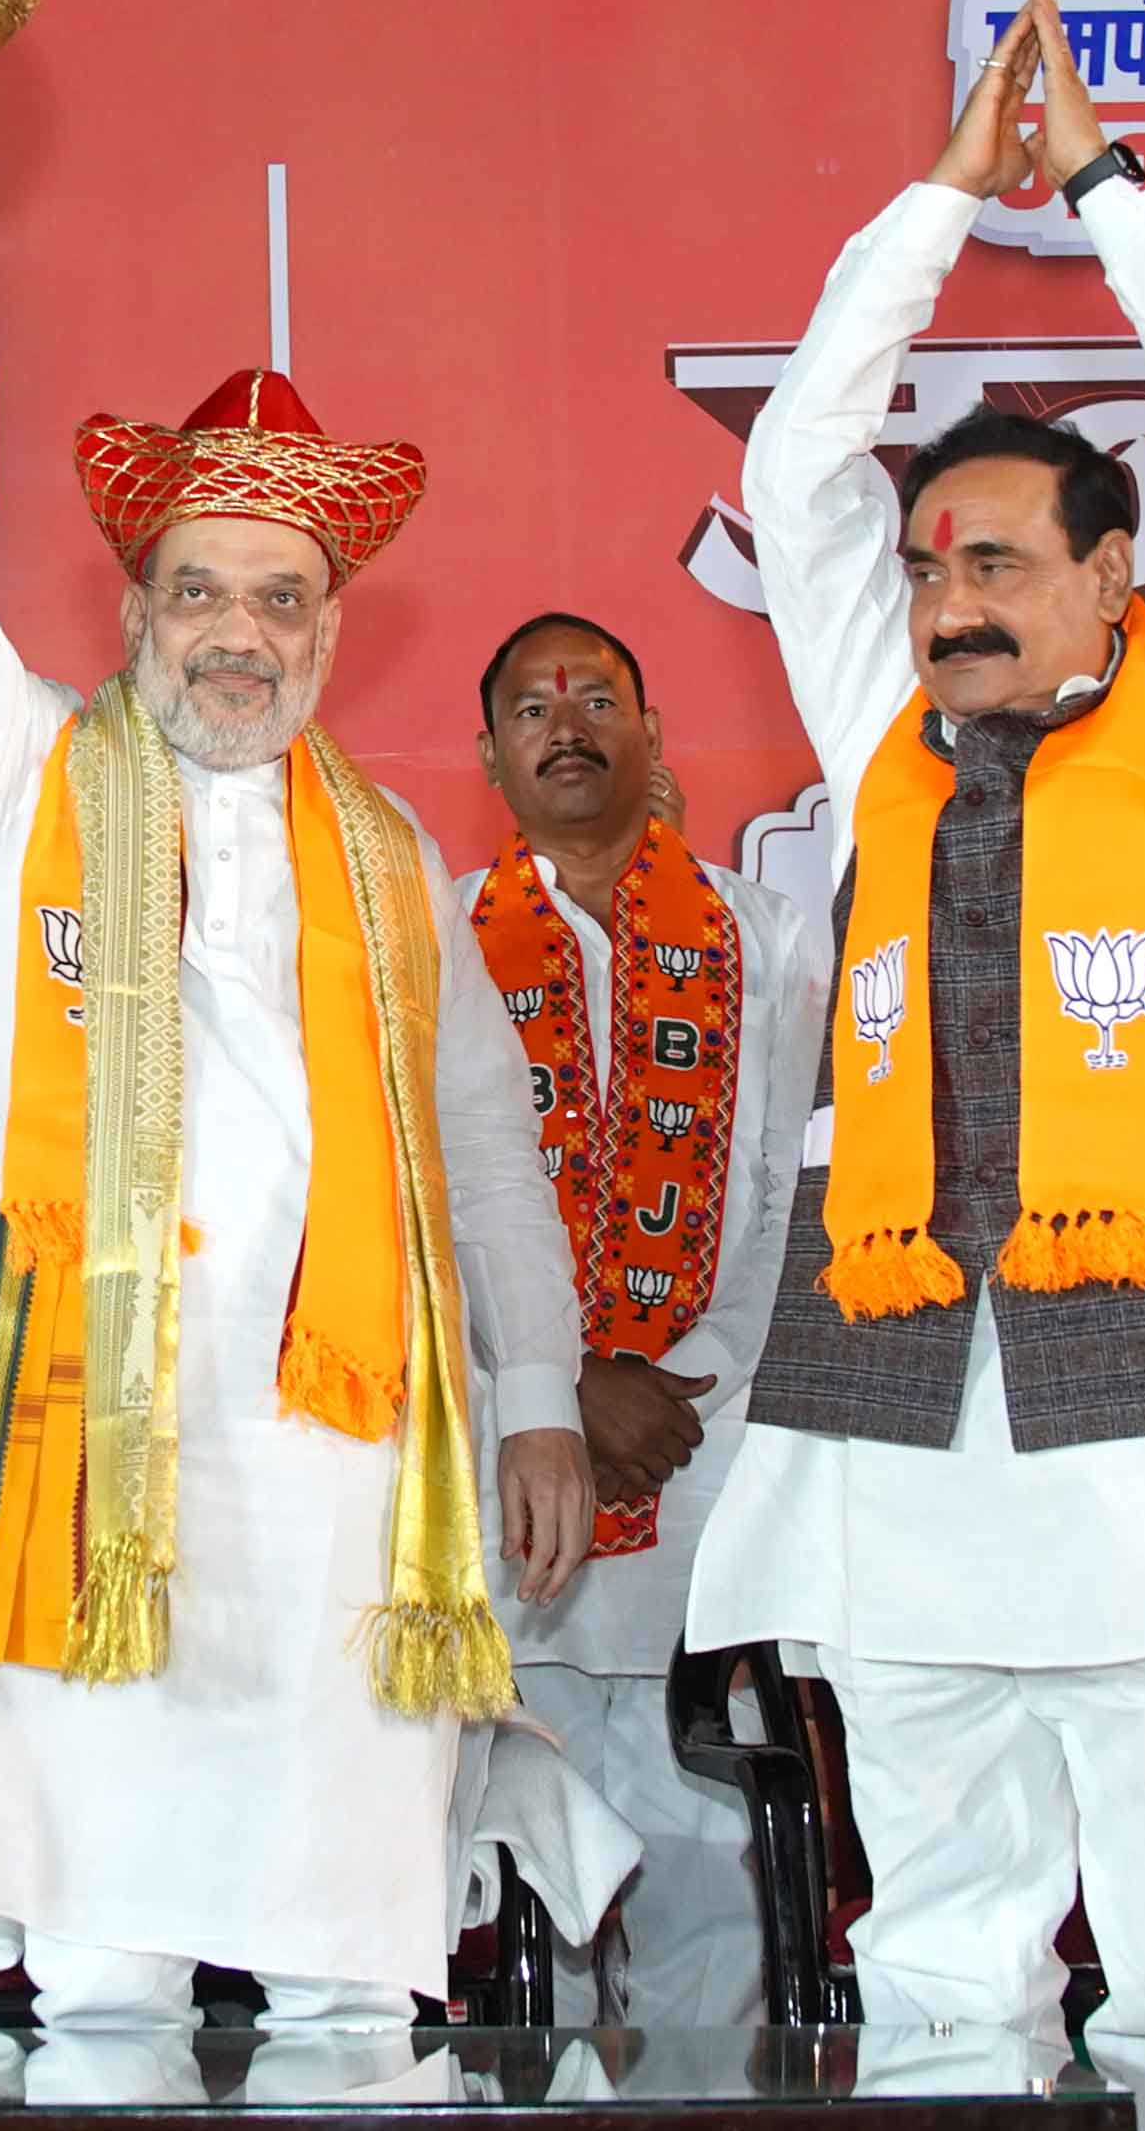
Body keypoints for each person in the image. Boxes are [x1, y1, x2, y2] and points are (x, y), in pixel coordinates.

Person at [0, 98, 595, 2029]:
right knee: (96, 1973)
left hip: (339, 1477)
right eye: (198, 589)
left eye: (279, 599)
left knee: (348, 1970)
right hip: (86, 1458)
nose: (236, 635)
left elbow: (485, 1152)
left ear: (334, 630)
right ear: (132, 610)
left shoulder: (397, 868)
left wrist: (534, 1391)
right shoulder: (25, 770)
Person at [681, 0, 1145, 2131]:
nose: (949, 596)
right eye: (929, 567)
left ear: (1109, 572)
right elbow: (801, 464)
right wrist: (935, 208)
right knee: (943, 1967)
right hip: (903, 1419)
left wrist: (1095, 199)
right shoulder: (886, 727)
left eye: (996, 560)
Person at [457, 610, 821, 2024]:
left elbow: (795, 1196)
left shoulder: (763, 935)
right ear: (489, 753)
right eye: (532, 706)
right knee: (509, 1865)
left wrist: (686, 1375)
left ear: (651, 736)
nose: (566, 723)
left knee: (705, 1862)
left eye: (598, 695)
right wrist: (545, 1394)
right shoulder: (433, 944)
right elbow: (418, 1218)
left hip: (700, 1451)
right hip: (504, 1458)